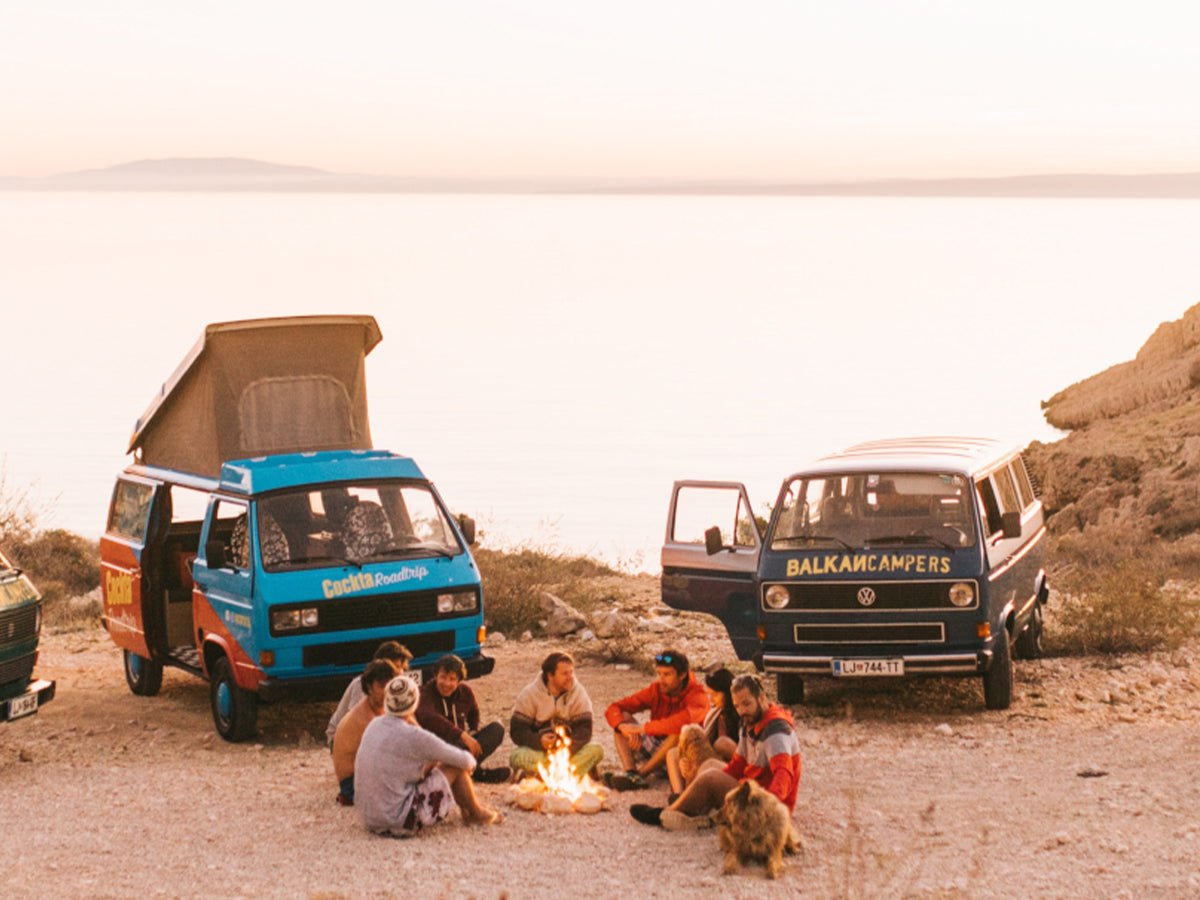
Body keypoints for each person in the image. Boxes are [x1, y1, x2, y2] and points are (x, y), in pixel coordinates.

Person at [630, 673, 801, 830]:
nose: (742, 710)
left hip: (766, 805)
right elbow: (738, 764)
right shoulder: (750, 720)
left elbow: (783, 775)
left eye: (747, 704)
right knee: (709, 766)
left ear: (761, 699)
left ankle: (663, 815)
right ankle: (694, 815)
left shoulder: (775, 729)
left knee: (711, 776)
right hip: (751, 787)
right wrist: (715, 785)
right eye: (737, 706)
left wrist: (767, 809)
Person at [354, 675, 503, 836]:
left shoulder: (374, 725)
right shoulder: (414, 735)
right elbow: (466, 761)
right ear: (414, 702)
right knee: (455, 766)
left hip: (370, 818)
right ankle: (475, 813)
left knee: (435, 767)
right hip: (400, 820)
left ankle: (470, 810)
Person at [603, 649, 709, 791]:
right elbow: (616, 707)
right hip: (657, 747)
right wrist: (622, 726)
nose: (661, 679)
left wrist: (643, 728)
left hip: (680, 757)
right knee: (623, 718)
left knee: (679, 733)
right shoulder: (657, 689)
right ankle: (631, 773)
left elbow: (683, 721)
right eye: (659, 674)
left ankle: (642, 774)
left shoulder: (697, 694)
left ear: (682, 675)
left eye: (667, 674)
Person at [416, 654, 511, 783]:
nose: (446, 683)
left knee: (496, 729)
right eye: (443, 677)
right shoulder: (425, 693)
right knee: (455, 751)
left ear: (459, 680)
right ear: (435, 676)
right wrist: (462, 735)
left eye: (452, 679)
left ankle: (467, 768)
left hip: (461, 747)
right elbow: (429, 717)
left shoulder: (465, 692)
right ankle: (479, 773)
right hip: (437, 749)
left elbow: (473, 712)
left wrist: (473, 729)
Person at [509, 651, 604, 780]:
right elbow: (517, 731)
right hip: (540, 752)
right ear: (550, 675)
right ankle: (574, 772)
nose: (570, 677)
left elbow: (585, 731)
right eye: (565, 674)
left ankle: (540, 776)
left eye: (571, 672)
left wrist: (565, 750)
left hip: (570, 752)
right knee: (517, 756)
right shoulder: (530, 694)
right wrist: (539, 741)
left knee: (596, 750)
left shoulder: (578, 693)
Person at [665, 666, 740, 797]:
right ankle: (679, 795)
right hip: (710, 757)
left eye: (715, 695)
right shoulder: (715, 714)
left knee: (721, 743)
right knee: (673, 754)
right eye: (710, 695)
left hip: (730, 766)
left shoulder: (740, 714)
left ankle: (690, 796)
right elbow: (705, 742)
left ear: (728, 692)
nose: (712, 700)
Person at [331, 659, 397, 805]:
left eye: (390, 685)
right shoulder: (364, 717)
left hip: (362, 777)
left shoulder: (376, 708)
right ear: (369, 687)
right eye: (381, 686)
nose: (386, 691)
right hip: (352, 786)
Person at [326, 641, 414, 748]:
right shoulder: (363, 683)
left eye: (401, 666)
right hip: (342, 737)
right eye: (395, 666)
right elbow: (357, 722)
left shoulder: (397, 685)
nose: (399, 672)